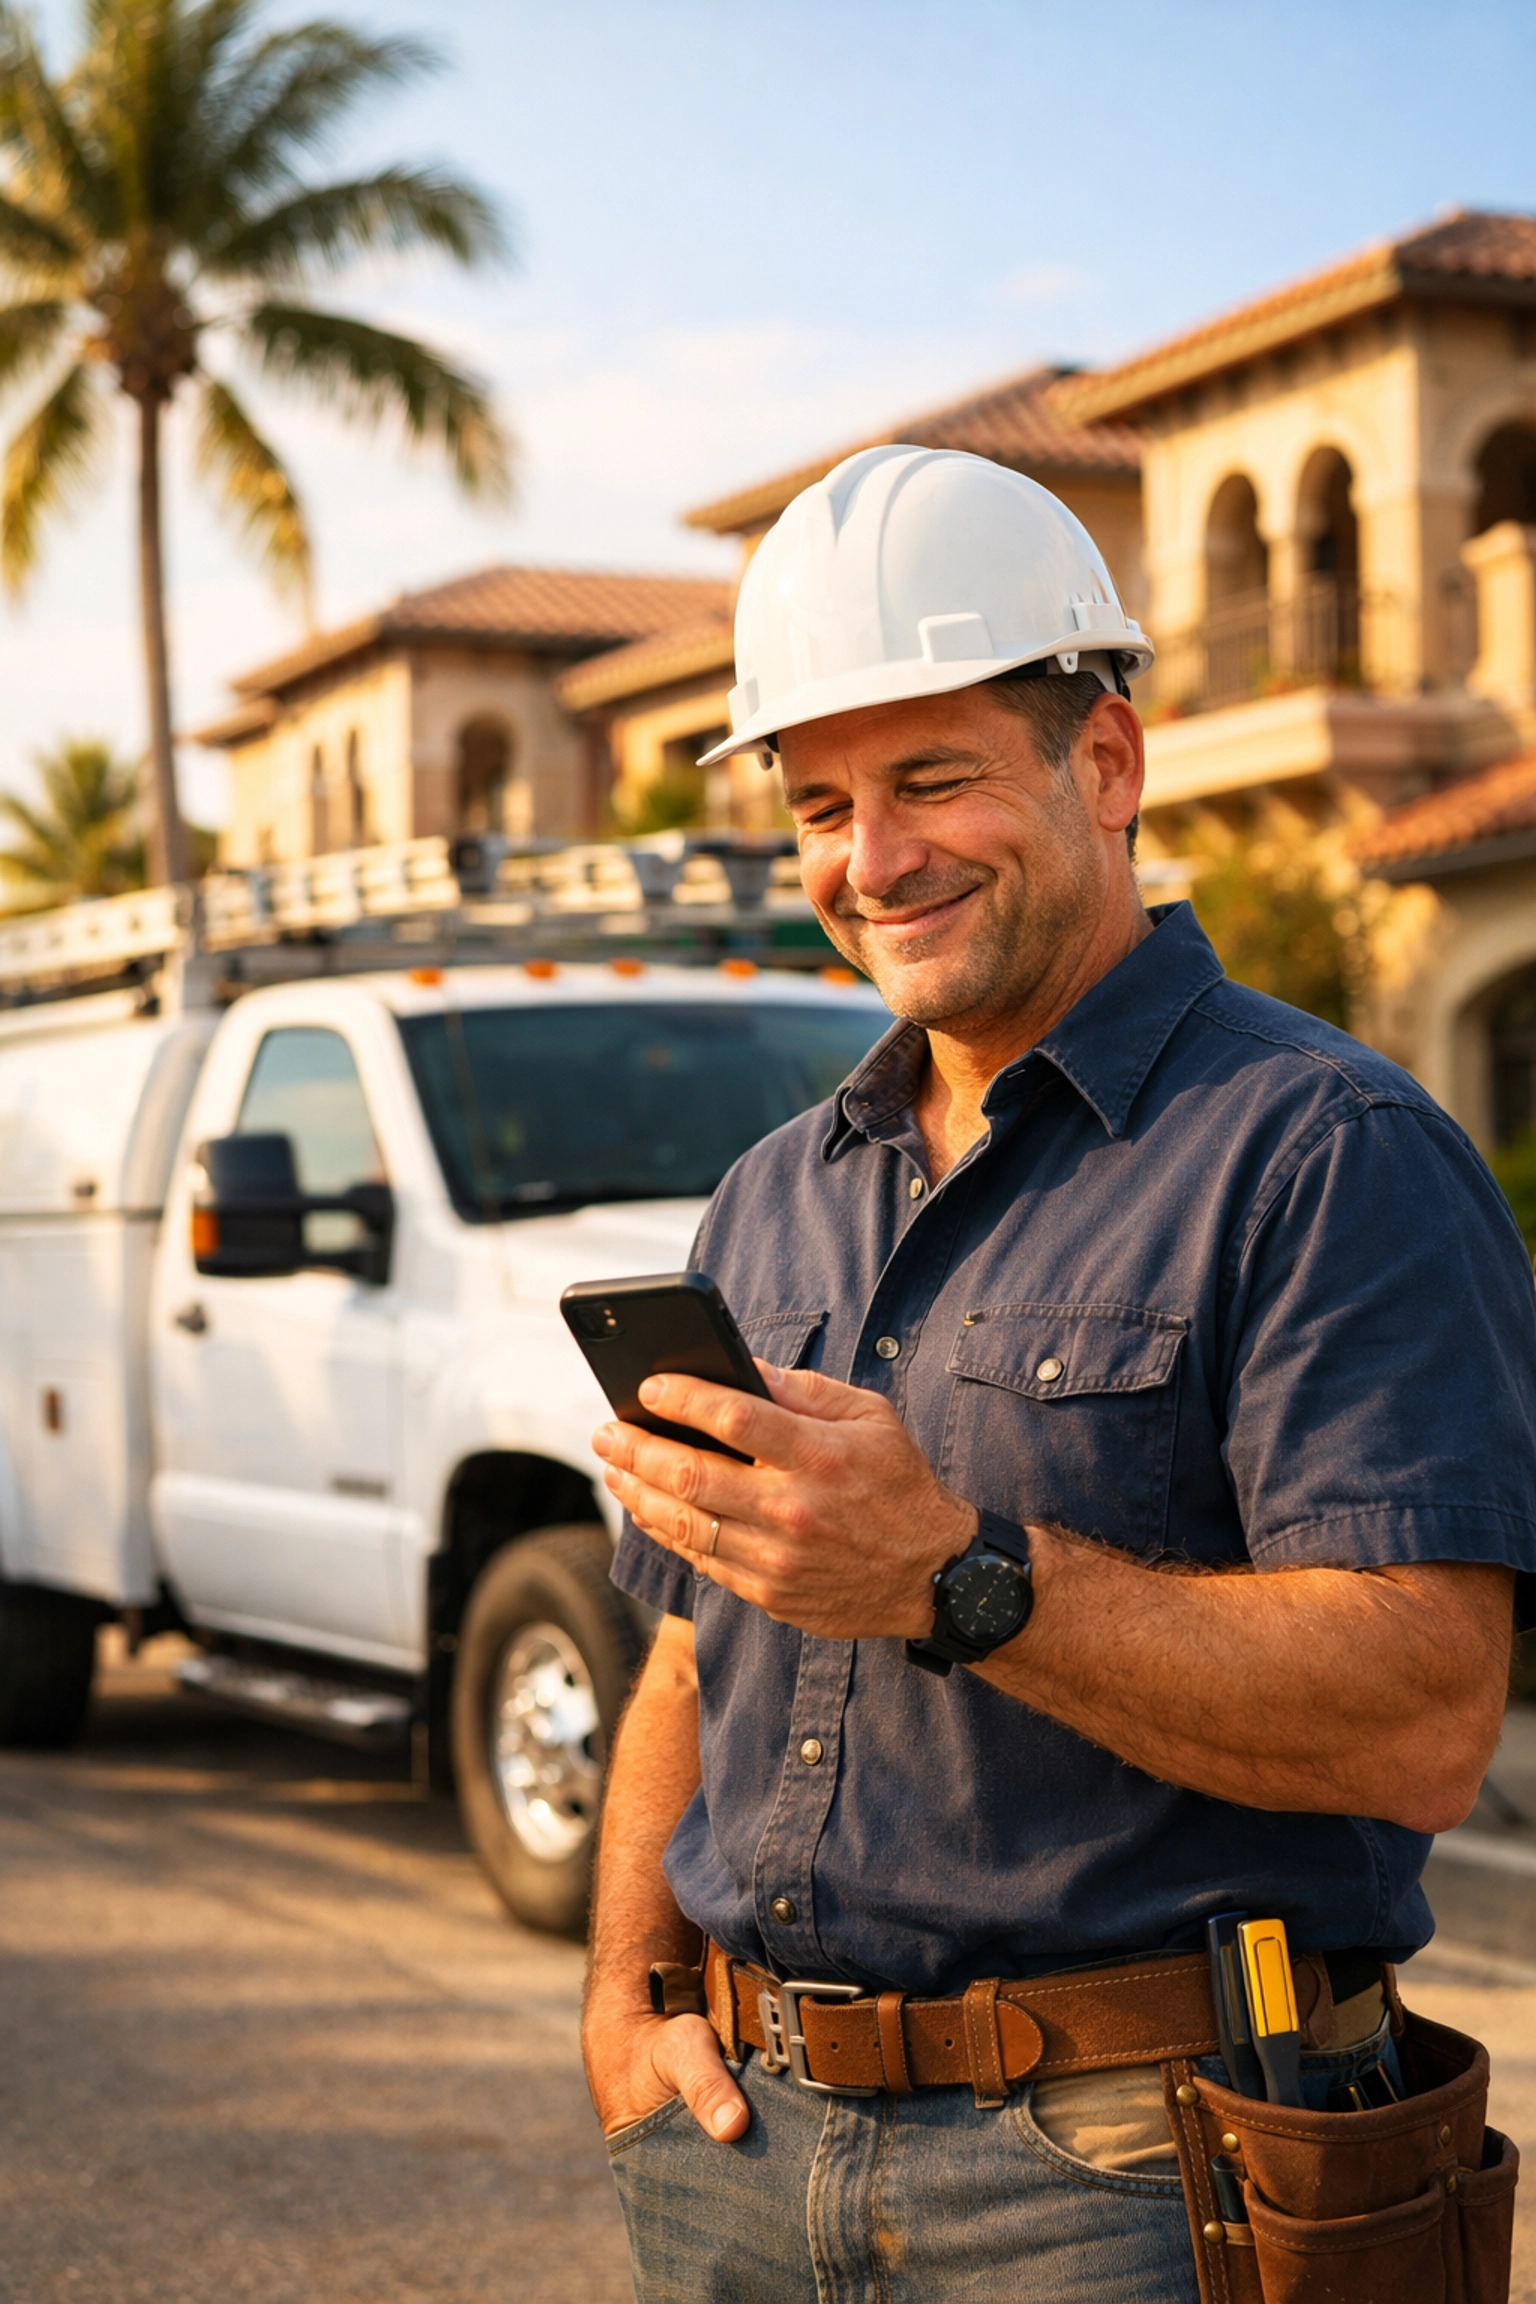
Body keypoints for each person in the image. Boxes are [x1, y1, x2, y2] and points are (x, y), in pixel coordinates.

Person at [580, 444, 1536, 2304]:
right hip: (735, 2149)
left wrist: (956, 1576)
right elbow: (691, 1647)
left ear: (1106, 765)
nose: (872, 862)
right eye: (821, 802)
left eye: (934, 777)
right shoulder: (773, 1196)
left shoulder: (1325, 1152)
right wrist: (624, 1995)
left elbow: (1426, 1723)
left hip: (1132, 2176)